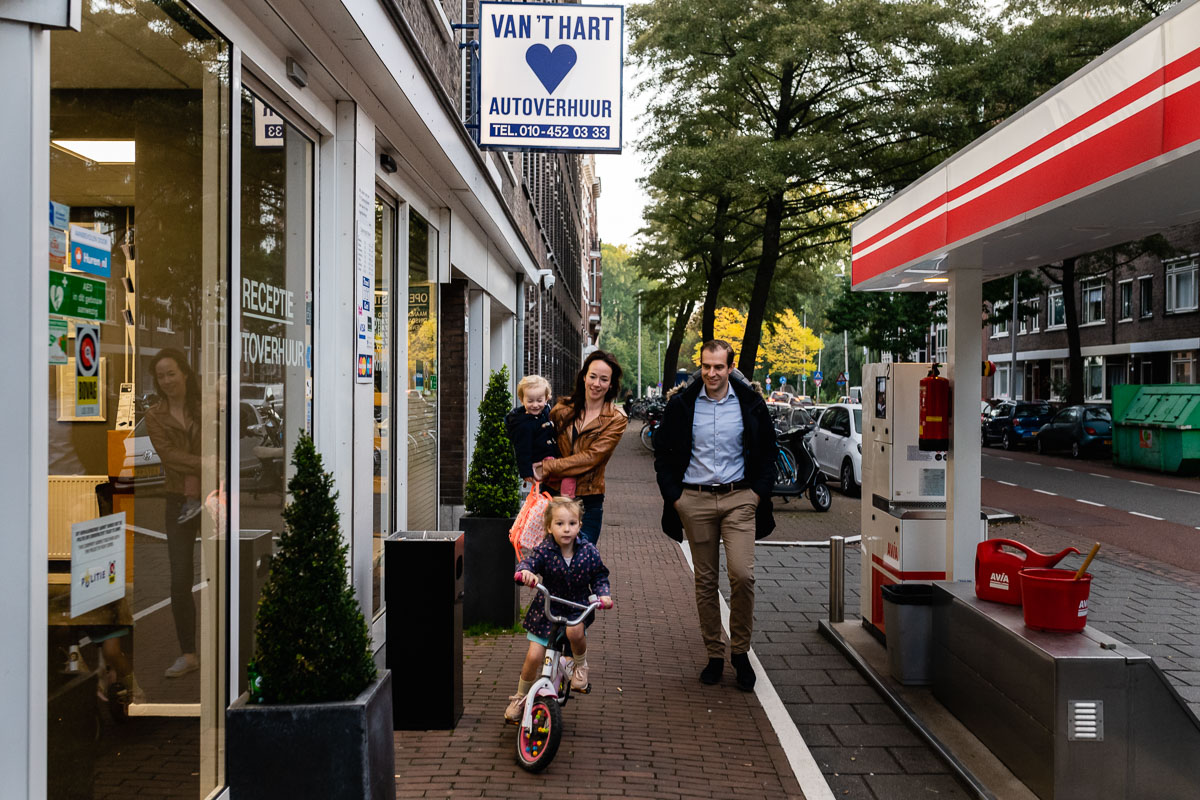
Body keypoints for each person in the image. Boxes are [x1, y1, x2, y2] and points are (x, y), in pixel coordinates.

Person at [653, 340, 776, 691]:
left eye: (718, 367)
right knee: (705, 582)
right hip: (695, 500)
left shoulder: (750, 403)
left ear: (730, 366)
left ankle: (740, 652)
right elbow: (663, 453)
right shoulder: (683, 404)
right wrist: (675, 498)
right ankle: (714, 655)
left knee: (742, 575)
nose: (711, 373)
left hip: (740, 499)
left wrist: (756, 494)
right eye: (706, 366)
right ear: (700, 366)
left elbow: (768, 450)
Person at [504, 496, 613, 723]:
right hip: (547, 609)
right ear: (549, 527)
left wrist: (603, 594)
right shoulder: (545, 550)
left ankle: (580, 665)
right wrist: (526, 573)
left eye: (572, 524)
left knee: (575, 633)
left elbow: (600, 574)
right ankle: (520, 696)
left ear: (580, 525)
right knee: (533, 656)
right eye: (560, 524)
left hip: (576, 608)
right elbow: (529, 563)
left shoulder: (589, 551)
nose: (566, 529)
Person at [145, 349, 202, 679]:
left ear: (184, 373)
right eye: (161, 376)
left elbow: (216, 443)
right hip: (176, 501)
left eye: (171, 373)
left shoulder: (203, 406)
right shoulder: (155, 415)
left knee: (223, 572)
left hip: (211, 498)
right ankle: (189, 653)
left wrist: (197, 470)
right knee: (180, 579)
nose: (166, 381)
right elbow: (168, 457)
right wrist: (204, 465)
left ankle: (226, 644)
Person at [535, 350, 627, 546]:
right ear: (584, 376)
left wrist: (547, 467)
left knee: (580, 564)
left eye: (603, 379)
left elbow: (591, 458)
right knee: (551, 562)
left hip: (588, 501)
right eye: (592, 376)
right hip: (553, 495)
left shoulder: (616, 419)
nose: (596, 384)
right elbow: (542, 442)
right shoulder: (561, 410)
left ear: (611, 384)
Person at [505, 374, 574, 496]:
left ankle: (560, 500)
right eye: (530, 401)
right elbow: (522, 450)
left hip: (551, 458)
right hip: (540, 462)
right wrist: (526, 473)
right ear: (522, 400)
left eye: (539, 400)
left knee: (562, 478)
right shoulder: (523, 425)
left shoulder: (547, 411)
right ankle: (565, 500)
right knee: (562, 479)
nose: (535, 405)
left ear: (547, 398)